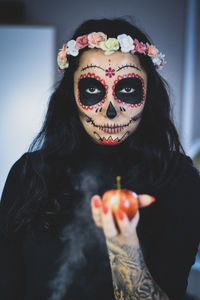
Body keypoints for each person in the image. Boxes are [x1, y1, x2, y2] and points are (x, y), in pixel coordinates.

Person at [0, 18, 200, 300]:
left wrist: (123, 243)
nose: (109, 110)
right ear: (71, 94)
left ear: (148, 93)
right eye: (92, 89)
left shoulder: (178, 180)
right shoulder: (29, 173)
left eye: (127, 89)